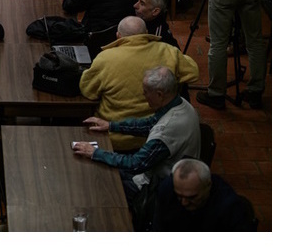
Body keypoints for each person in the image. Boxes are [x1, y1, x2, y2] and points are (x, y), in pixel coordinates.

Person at [73, 66, 201, 201]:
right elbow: (149, 124)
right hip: (155, 173)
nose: (144, 96)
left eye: (146, 92)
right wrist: (111, 126)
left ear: (159, 94)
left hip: (155, 190)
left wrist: (95, 153)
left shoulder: (167, 129)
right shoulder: (179, 103)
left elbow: (135, 164)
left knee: (98, 182)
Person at [79, 16, 199, 151]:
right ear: (146, 32)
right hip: (157, 134)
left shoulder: (105, 58)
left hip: (114, 137)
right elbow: (193, 73)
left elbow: (88, 91)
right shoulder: (168, 51)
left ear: (118, 36)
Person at [153, 158, 255, 231]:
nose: (184, 203)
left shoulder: (229, 207)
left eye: (192, 197)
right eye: (179, 196)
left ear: (208, 186)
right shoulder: (166, 189)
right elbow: (158, 227)